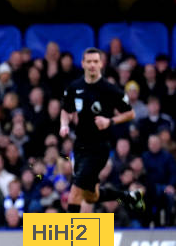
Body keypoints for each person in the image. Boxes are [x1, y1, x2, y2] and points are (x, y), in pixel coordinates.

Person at [60, 47, 144, 214]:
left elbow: (130, 113)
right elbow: (66, 110)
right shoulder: (74, 87)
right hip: (80, 147)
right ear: (83, 64)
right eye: (89, 61)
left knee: (74, 194)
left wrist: (110, 121)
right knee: (91, 196)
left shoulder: (109, 89)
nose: (92, 65)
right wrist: (64, 124)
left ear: (101, 64)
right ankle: (129, 197)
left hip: (98, 148)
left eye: (95, 62)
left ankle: (69, 238)